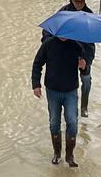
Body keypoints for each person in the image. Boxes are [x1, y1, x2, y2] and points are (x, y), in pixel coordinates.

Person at [31, 30, 87, 166]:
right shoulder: (48, 44)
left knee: (72, 122)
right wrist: (36, 84)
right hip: (52, 91)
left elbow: (85, 69)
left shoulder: (77, 46)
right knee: (54, 122)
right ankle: (57, 153)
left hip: (71, 91)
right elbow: (37, 63)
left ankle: (69, 156)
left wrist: (84, 67)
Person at [58, 0, 98, 114]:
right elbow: (48, 33)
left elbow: (91, 44)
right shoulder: (63, 13)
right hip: (65, 54)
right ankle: (66, 107)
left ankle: (84, 106)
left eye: (82, 1)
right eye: (77, 1)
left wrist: (86, 61)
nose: (80, 4)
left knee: (86, 80)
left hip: (83, 54)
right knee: (64, 82)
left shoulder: (90, 15)